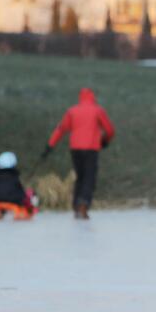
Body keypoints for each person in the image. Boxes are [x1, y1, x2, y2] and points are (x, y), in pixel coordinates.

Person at [43, 88, 115, 220]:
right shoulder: (97, 110)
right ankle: (83, 205)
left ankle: (76, 206)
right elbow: (109, 129)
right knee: (89, 177)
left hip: (75, 148)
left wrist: (50, 145)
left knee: (80, 176)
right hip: (91, 148)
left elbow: (61, 129)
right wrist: (105, 141)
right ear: (92, 97)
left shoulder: (72, 111)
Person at [0, 151, 33, 220]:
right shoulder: (15, 174)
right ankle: (27, 211)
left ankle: (1, 212)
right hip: (13, 201)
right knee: (24, 194)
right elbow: (20, 188)